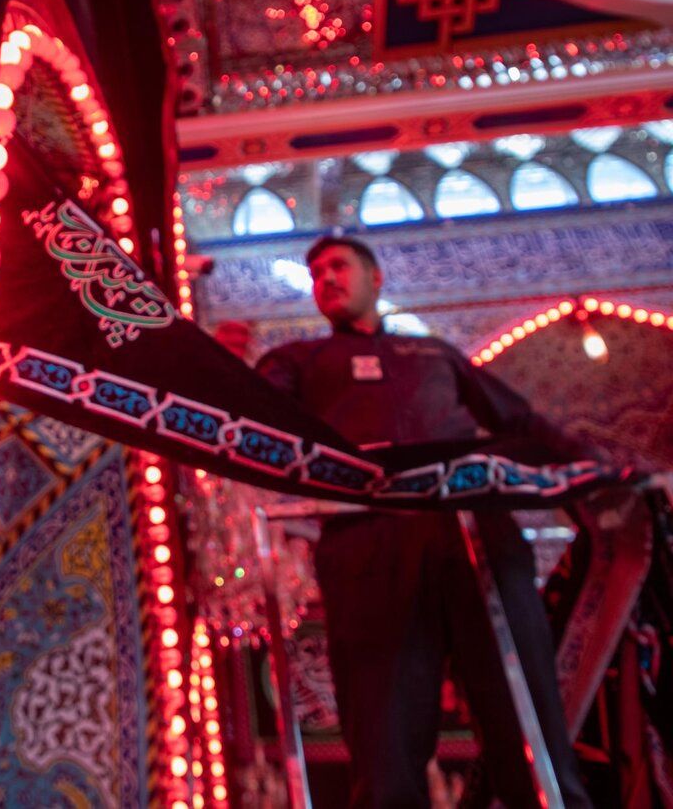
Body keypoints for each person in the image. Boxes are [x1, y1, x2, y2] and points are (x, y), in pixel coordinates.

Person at [255, 235, 597, 808]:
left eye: (339, 266)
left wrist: (599, 470)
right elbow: (259, 414)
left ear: (375, 277)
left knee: (525, 708)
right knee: (383, 728)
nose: (327, 279)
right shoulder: (300, 360)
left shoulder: (433, 353)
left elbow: (519, 420)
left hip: (474, 527)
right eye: (316, 273)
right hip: (368, 538)